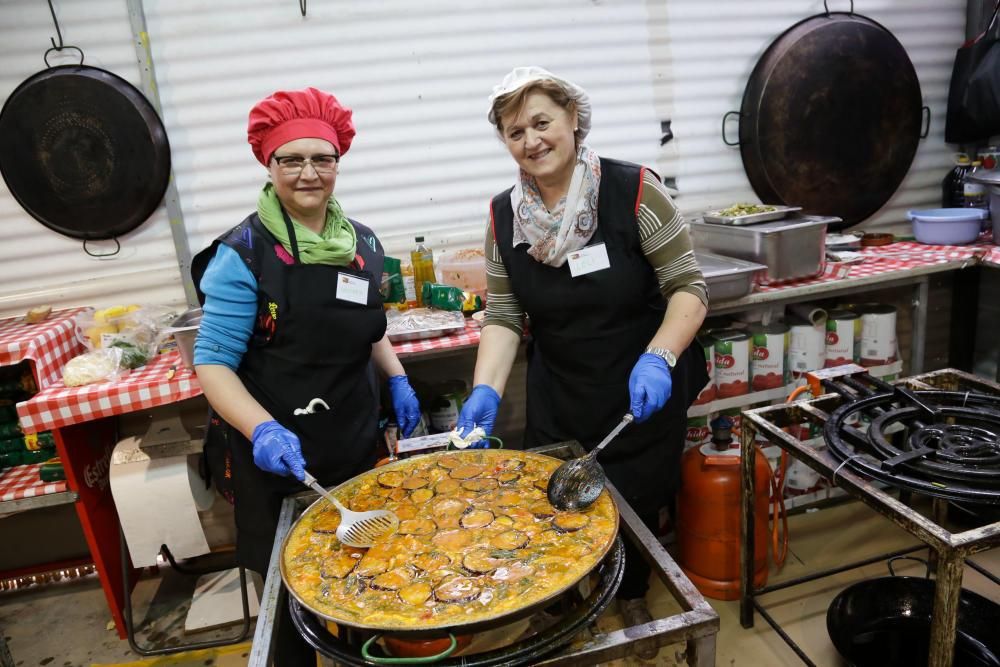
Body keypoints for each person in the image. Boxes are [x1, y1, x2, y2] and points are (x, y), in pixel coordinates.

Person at [455, 67, 709, 661]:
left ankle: (634, 594)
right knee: (555, 504)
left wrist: (661, 357)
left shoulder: (635, 190)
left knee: (639, 504)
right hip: (561, 388)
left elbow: (689, 289)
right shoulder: (503, 216)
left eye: (542, 122)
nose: (531, 140)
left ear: (573, 118)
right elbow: (504, 311)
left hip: (641, 380)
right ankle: (566, 605)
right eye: (515, 131)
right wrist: (484, 391)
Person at [190, 87, 421, 663]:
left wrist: (396, 377)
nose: (308, 173)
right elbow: (213, 363)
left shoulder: (361, 243)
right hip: (276, 458)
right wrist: (262, 430)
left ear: (338, 161)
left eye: (322, 158)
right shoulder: (242, 255)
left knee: (365, 583)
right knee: (292, 608)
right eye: (291, 159)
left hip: (351, 443)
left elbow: (368, 325)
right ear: (269, 166)